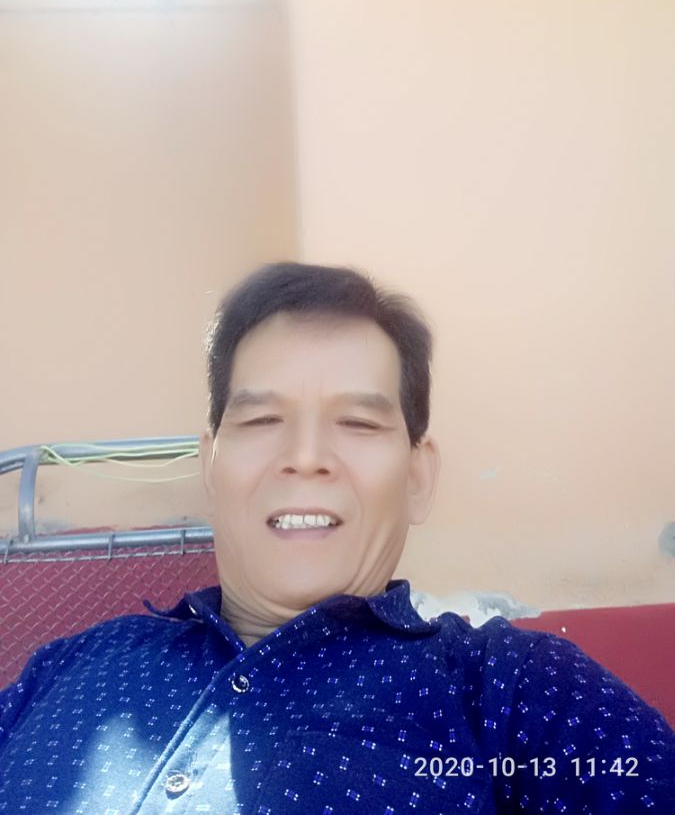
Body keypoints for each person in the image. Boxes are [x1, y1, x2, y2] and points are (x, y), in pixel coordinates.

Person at [0, 261, 673, 814]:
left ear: (417, 477)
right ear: (210, 466)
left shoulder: (516, 692)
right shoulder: (64, 669)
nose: (305, 457)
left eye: (358, 423)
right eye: (261, 421)